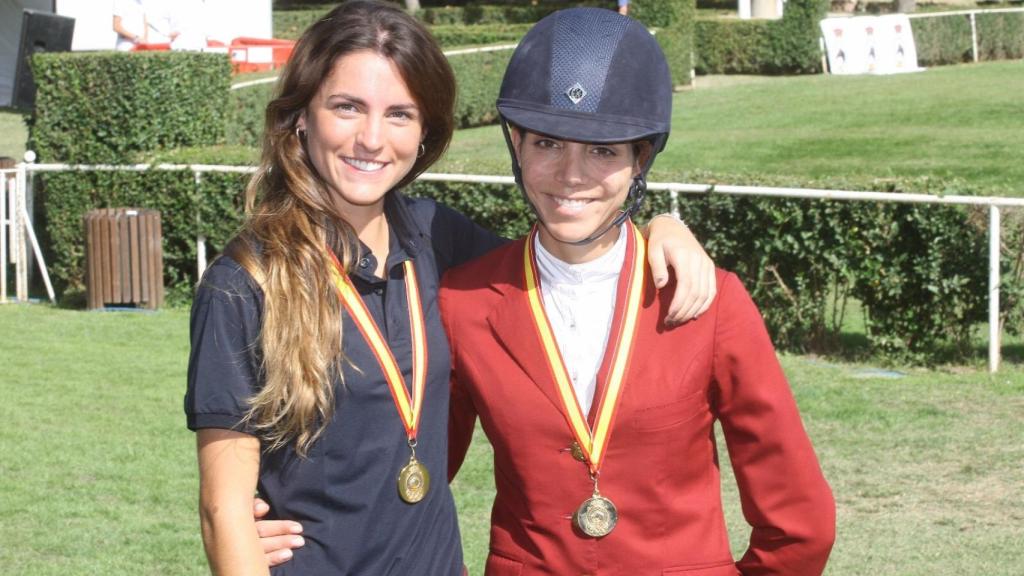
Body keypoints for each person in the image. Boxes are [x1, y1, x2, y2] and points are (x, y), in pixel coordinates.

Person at [256, 7, 835, 576]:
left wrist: (669, 223)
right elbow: (414, 470)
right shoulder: (466, 301)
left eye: (603, 151)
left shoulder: (711, 301)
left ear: (642, 159)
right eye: (547, 144)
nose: (571, 175)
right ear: (517, 145)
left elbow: (800, 520)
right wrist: (286, 510)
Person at [186, 2, 715, 574]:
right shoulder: (244, 284)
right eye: (346, 107)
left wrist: (661, 226)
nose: (371, 138)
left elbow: (562, 261)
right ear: (301, 117)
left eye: (399, 114)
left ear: (424, 132)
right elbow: (224, 508)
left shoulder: (437, 234)